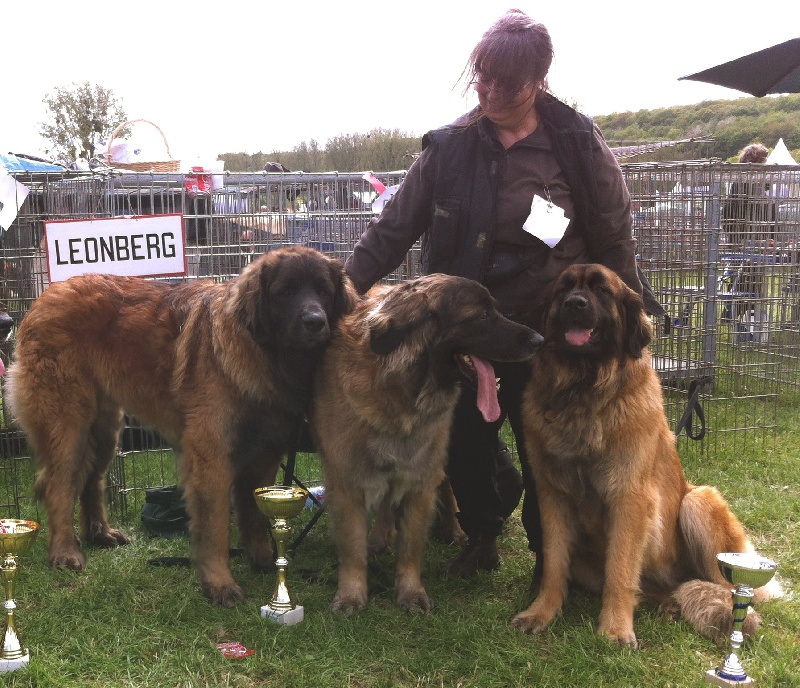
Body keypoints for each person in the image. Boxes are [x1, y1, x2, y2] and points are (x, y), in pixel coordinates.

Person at [344, 8, 662, 577]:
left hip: (552, 321)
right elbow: (394, 228)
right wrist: (345, 290)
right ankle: (482, 532)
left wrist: (632, 318)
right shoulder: (450, 147)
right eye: (481, 78)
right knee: (466, 435)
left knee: (544, 437)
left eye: (506, 84)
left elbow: (614, 234)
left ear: (539, 79)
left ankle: (547, 557)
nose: (489, 93)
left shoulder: (575, 142)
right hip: (466, 323)